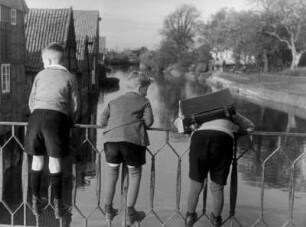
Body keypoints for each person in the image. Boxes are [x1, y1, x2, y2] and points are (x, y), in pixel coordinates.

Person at [24, 42, 80, 219]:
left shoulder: (40, 75)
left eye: (42, 60)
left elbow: (31, 101)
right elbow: (76, 105)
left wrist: (37, 114)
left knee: (36, 161)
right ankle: (57, 205)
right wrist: (71, 120)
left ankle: (35, 202)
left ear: (47, 59)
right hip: (57, 119)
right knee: (54, 162)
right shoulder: (70, 77)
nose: (42, 63)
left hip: (36, 118)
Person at [175, 109, 254, 227]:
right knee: (217, 187)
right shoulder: (228, 111)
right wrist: (233, 135)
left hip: (199, 139)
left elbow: (178, 124)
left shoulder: (197, 111)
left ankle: (190, 218)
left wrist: (185, 123)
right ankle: (216, 220)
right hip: (223, 139)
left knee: (195, 186)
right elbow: (250, 127)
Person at [99, 71, 154, 224]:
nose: (147, 92)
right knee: (134, 174)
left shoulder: (114, 101)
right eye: (146, 88)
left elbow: (102, 120)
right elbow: (149, 122)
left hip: (111, 142)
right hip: (132, 141)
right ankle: (130, 213)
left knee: (112, 174)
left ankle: (108, 211)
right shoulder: (144, 101)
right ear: (139, 87)